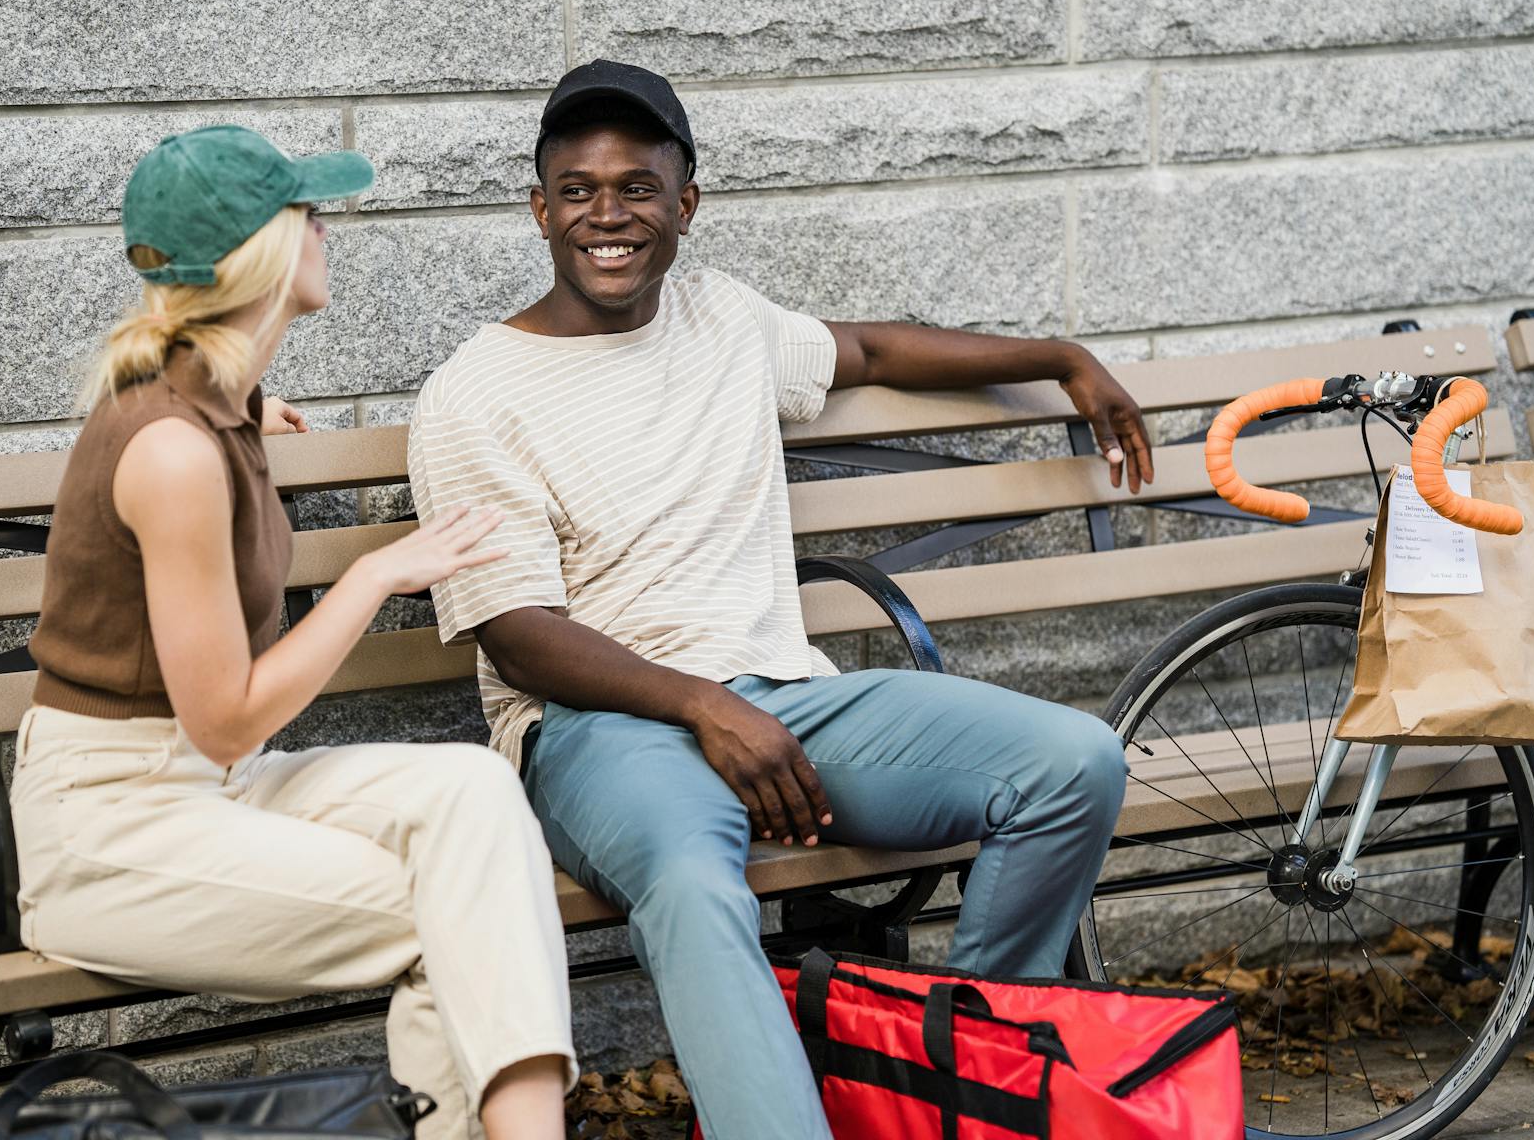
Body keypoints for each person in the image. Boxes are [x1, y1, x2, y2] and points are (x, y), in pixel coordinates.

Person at [406, 61, 1153, 1139]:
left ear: (686, 204)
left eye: (637, 187)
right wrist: (707, 707)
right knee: (702, 887)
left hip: (784, 702)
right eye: (577, 190)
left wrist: (1062, 357)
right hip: (597, 731)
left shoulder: (727, 319)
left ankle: (954, 1097)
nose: (607, 214)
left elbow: (874, 347)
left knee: (1071, 763)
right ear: (539, 208)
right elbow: (520, 636)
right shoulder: (477, 392)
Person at [12, 126, 574, 1140]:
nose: (326, 228)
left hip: (209, 787)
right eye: (308, 213)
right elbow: (225, 720)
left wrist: (250, 416)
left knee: (471, 784)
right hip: (110, 826)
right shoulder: (176, 450)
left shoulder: (207, 407)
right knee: (459, 923)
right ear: (264, 251)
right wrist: (376, 574)